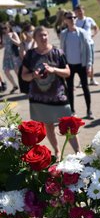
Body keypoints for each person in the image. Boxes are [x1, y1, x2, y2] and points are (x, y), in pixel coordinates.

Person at [21, 26, 80, 158]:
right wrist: (33, 76)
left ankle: (78, 152)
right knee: (48, 126)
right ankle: (57, 151)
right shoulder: (30, 55)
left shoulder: (58, 52)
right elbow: (24, 75)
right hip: (39, 98)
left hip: (58, 96)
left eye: (45, 35)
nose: (43, 38)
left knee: (68, 125)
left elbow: (68, 72)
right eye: (40, 35)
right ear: (34, 38)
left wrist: (54, 70)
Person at [60, 10, 94, 120]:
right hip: (69, 66)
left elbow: (88, 50)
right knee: (69, 89)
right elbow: (62, 51)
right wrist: (62, 66)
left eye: (74, 17)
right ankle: (72, 111)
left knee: (85, 87)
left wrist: (89, 65)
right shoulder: (64, 34)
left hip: (82, 65)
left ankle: (89, 111)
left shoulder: (82, 32)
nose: (73, 19)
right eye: (70, 18)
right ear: (65, 20)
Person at [74, 4, 100, 86]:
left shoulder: (89, 19)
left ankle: (92, 79)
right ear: (76, 12)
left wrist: (93, 34)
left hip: (89, 43)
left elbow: (96, 27)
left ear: (83, 11)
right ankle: (82, 80)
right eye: (78, 11)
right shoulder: (75, 21)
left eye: (81, 10)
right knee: (81, 63)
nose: (80, 12)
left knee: (90, 62)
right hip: (80, 44)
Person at [0, 22, 21, 94]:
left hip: (14, 55)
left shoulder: (13, 34)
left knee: (17, 71)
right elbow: (3, 45)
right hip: (6, 56)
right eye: (2, 28)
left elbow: (19, 43)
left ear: (9, 27)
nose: (4, 30)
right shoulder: (3, 35)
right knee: (6, 71)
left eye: (5, 28)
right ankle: (15, 85)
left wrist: (11, 39)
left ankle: (23, 85)